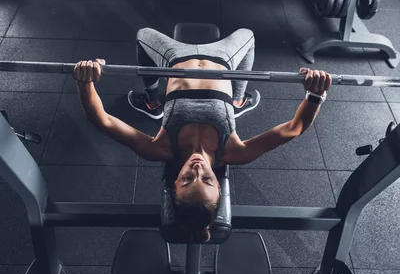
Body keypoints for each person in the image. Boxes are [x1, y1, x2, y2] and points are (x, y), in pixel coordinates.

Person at [74, 27, 332, 242]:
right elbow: (293, 129)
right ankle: (238, 101)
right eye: (207, 180)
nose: (197, 170)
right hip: (223, 60)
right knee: (248, 35)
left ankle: (153, 100)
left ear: (173, 185)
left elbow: (103, 121)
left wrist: (85, 82)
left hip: (174, 60)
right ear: (219, 186)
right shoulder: (234, 151)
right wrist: (315, 94)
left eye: (186, 179)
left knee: (143, 34)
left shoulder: (161, 148)